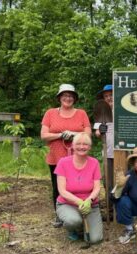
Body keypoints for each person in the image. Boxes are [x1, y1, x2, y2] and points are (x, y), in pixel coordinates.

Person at [41, 84, 91, 227]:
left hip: (78, 157)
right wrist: (60, 135)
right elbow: (44, 135)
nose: (67, 98)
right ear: (59, 98)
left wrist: (74, 134)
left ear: (74, 98)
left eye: (70, 96)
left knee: (79, 184)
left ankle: (80, 211)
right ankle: (59, 214)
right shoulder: (50, 113)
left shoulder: (81, 113)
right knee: (58, 186)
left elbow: (88, 134)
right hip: (56, 157)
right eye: (65, 95)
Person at [55, 133, 103, 242]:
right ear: (72, 146)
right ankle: (72, 228)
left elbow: (97, 187)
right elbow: (62, 191)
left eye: (85, 144)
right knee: (73, 221)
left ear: (90, 147)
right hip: (68, 204)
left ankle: (84, 223)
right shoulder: (63, 163)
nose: (82, 147)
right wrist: (79, 202)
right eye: (78, 144)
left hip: (90, 205)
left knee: (94, 239)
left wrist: (89, 201)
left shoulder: (94, 163)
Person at [94, 85, 114, 193]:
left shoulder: (122, 110)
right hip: (108, 152)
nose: (109, 98)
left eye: (111, 95)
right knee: (108, 180)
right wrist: (100, 130)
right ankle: (110, 206)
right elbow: (96, 133)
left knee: (123, 179)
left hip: (123, 151)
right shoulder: (101, 112)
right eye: (106, 96)